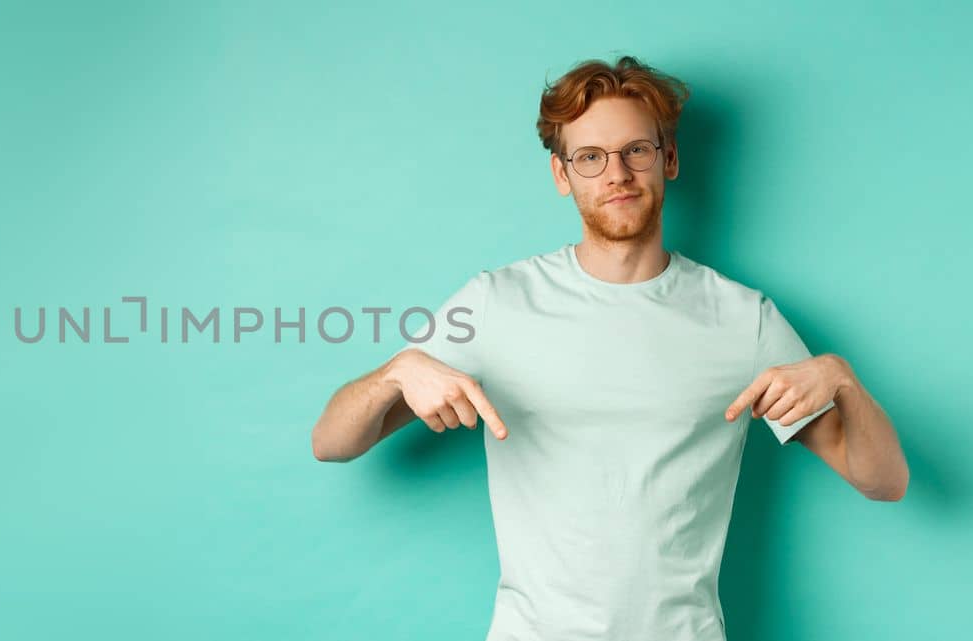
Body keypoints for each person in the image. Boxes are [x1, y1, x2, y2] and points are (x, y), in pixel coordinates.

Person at [308, 55, 909, 641]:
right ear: (561, 175)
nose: (616, 174)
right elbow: (331, 442)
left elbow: (883, 481)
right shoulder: (496, 302)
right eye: (590, 157)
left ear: (668, 158)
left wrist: (842, 378)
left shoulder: (743, 319)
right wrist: (398, 370)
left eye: (635, 151)